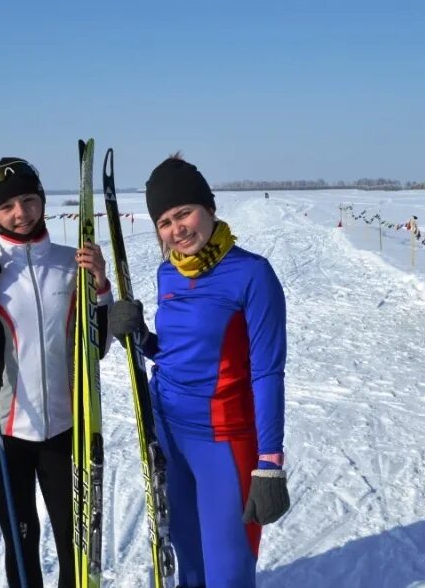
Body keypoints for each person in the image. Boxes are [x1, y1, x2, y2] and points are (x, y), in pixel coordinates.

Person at [108, 155, 289, 588]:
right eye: (165, 221)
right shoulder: (166, 272)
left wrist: (269, 463)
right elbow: (172, 352)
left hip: (224, 443)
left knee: (228, 573)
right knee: (188, 565)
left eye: (185, 212)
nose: (178, 228)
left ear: (209, 208)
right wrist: (138, 336)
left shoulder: (252, 274)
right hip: (169, 433)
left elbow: (267, 372)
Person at [0, 157, 112, 588]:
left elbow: (99, 347)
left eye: (28, 199)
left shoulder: (70, 264)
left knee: (73, 546)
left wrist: (103, 289)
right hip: (4, 433)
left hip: (64, 428)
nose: (21, 212)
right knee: (22, 542)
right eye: (6, 207)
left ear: (41, 200)